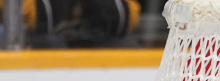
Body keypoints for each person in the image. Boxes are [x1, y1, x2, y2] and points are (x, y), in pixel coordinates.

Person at [0, 0, 140, 47]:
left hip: (102, 41)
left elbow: (126, 16)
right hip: (30, 41)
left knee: (124, 45)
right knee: (49, 44)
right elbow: (29, 16)